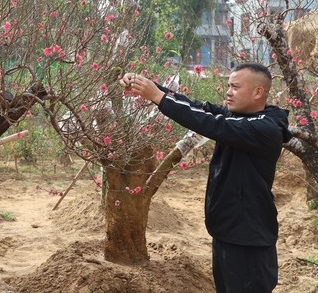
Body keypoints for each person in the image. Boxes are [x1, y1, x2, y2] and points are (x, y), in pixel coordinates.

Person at [120, 62, 291, 292]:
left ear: (258, 92)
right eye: (228, 85)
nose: (228, 92)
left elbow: (210, 123)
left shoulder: (265, 129)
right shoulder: (237, 116)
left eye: (235, 87)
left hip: (248, 239)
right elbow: (196, 108)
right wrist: (150, 89)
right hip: (226, 232)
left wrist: (157, 95)